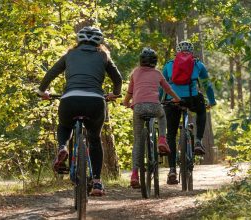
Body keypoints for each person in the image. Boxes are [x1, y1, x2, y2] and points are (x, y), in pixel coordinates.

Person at [36, 26, 123, 196]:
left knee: (64, 126)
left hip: (70, 99)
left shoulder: (69, 55)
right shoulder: (103, 56)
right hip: (95, 101)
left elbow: (51, 73)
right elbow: (118, 79)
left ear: (79, 40)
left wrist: (42, 92)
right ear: (100, 42)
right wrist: (115, 94)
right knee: (95, 139)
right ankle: (97, 181)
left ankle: (63, 147)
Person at [123, 47, 181, 188]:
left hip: (138, 108)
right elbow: (168, 89)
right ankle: (162, 139)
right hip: (155, 106)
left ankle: (135, 174)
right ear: (155, 61)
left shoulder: (135, 73)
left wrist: (126, 103)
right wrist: (177, 99)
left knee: (137, 142)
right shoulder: (158, 73)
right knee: (162, 116)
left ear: (141, 61)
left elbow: (130, 92)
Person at [162, 41, 216, 184]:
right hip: (192, 98)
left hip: (172, 100)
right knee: (202, 111)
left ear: (177, 51)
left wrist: (160, 101)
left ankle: (172, 170)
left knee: (171, 135)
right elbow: (207, 85)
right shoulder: (198, 64)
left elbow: (161, 86)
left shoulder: (169, 65)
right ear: (191, 52)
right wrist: (212, 101)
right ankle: (198, 141)